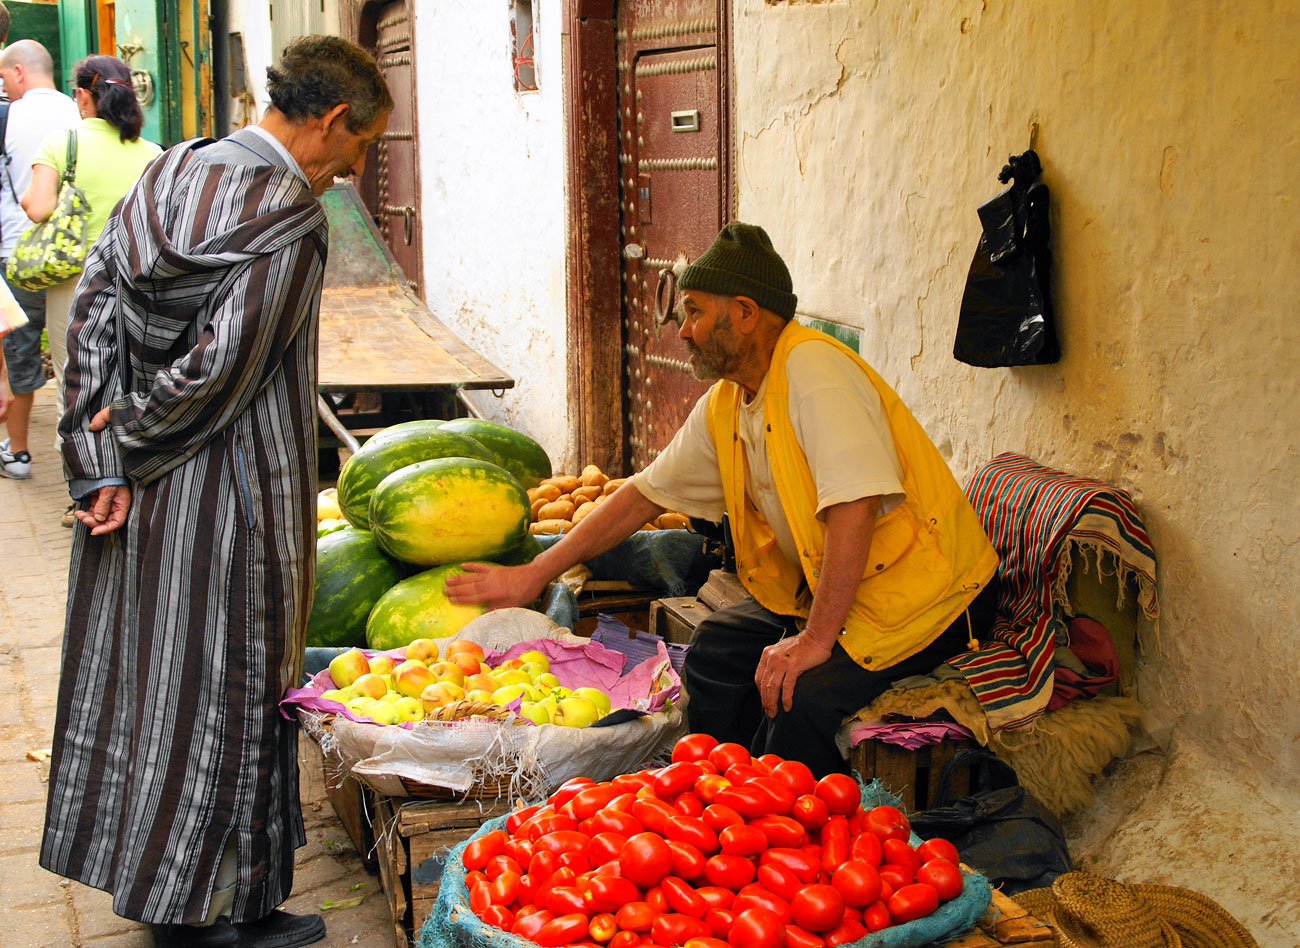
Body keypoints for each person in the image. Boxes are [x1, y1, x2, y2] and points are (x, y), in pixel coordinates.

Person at [39, 35, 391, 948]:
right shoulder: (291, 221)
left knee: (152, 684)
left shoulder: (174, 167)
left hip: (137, 488)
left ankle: (175, 896)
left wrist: (97, 454)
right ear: (333, 122)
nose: (355, 167)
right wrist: (135, 437)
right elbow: (220, 375)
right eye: (361, 147)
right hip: (230, 494)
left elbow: (94, 307)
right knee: (232, 684)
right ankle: (209, 916)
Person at [446, 222, 1002, 776]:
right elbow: (642, 496)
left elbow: (854, 509)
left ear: (744, 311)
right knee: (714, 651)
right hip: (845, 587)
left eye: (693, 312)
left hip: (935, 597)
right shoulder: (728, 402)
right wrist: (534, 573)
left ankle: (784, 833)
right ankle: (715, 798)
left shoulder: (815, 370)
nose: (682, 331)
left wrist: (812, 640)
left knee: (799, 693)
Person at [19, 54, 160, 518]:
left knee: (77, 385)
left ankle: (86, 487)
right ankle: (134, 483)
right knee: (134, 380)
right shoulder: (153, 152)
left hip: (76, 284)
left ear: (83, 95)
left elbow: (38, 209)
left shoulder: (64, 143)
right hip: (141, 282)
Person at [0, 40, 80, 479]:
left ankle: (19, 452)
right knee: (76, 351)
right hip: (72, 254)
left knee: (21, 351)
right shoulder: (80, 110)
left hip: (19, 253)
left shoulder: (7, 116)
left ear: (17, 72)